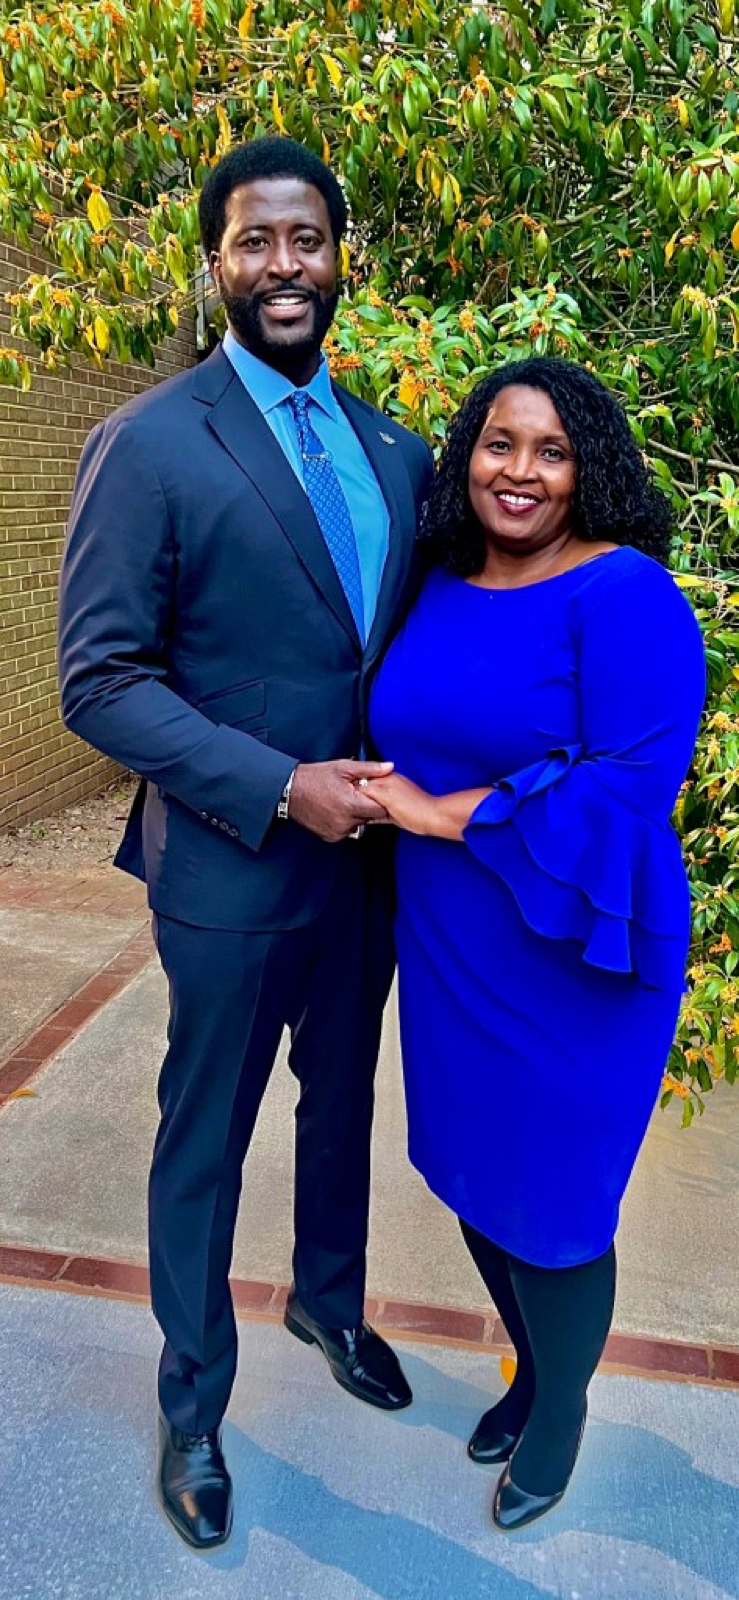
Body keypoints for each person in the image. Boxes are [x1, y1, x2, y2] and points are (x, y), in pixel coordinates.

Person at [58, 136, 434, 1551]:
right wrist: (281, 787)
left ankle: (327, 1303)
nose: (284, 265)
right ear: (216, 260)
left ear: (342, 255)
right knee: (202, 1137)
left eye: (307, 239)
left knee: (342, 1105)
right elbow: (100, 680)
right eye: (254, 241)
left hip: (370, 873)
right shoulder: (151, 442)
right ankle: (194, 1404)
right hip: (230, 865)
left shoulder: (397, 447)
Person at [368, 358, 705, 1532]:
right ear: (468, 455)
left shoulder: (625, 596)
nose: (519, 471)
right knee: (472, 1173)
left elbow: (625, 788)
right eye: (499, 443)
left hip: (579, 952)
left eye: (551, 451)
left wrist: (432, 811)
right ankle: (536, 1369)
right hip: (454, 942)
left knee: (558, 1202)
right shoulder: (440, 582)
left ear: (588, 468)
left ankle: (554, 1416)